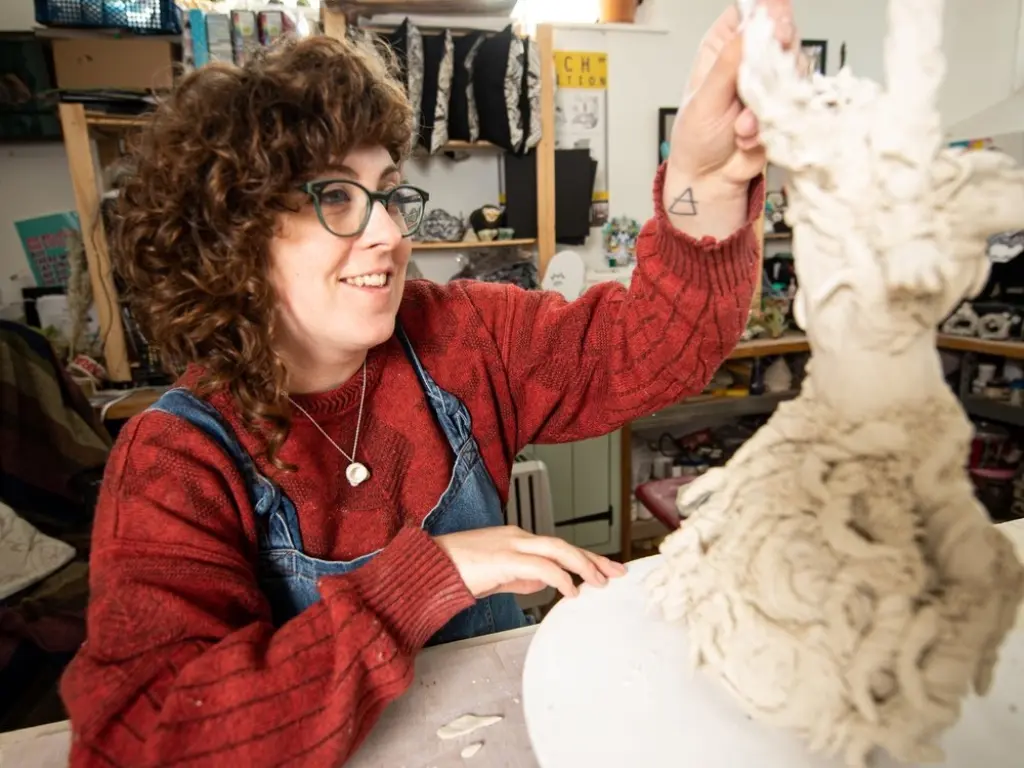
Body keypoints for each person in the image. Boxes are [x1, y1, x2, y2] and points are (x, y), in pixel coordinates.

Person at [61, 2, 796, 765]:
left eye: (386, 192)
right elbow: (144, 742)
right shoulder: (174, 460)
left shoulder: (458, 338)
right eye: (337, 197)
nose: (389, 232)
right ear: (231, 234)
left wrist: (703, 180)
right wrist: (426, 578)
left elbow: (653, 347)